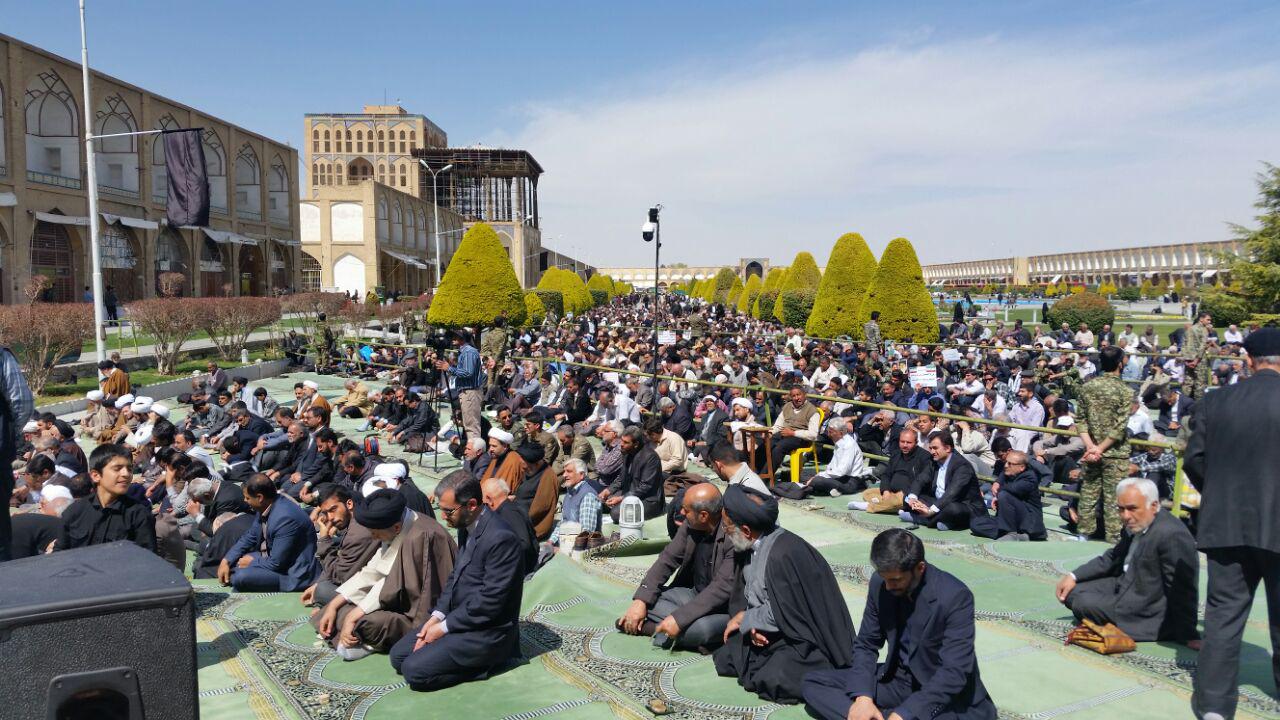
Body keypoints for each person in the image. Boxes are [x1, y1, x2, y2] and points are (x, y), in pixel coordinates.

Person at [1185, 327, 1280, 719]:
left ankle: (1215, 709)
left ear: (1249, 360)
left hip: (1225, 526)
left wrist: (1221, 493)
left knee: (1222, 619)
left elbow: (1194, 460)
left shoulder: (1217, 400)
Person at [802, 528, 996, 720]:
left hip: (941, 693)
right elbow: (866, 644)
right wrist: (863, 698)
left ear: (919, 568)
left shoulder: (954, 596)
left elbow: (954, 672)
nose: (888, 586)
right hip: (899, 680)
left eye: (895, 580)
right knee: (813, 683)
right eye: (884, 578)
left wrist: (904, 714)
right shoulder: (881, 583)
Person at [713, 485, 853, 704]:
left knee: (775, 678)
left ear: (747, 531)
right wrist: (752, 625)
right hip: (775, 628)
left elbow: (788, 613)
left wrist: (747, 620)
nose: (725, 532)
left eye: (728, 527)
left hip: (804, 638)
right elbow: (757, 597)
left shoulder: (783, 554)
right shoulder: (755, 545)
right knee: (726, 656)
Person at [389, 472, 524, 691]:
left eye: (448, 511)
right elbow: (455, 578)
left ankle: (486, 664)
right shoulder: (466, 526)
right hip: (459, 618)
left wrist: (443, 629)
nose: (443, 517)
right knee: (398, 657)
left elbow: (490, 603)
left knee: (414, 672)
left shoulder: (501, 538)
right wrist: (436, 617)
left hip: (486, 632)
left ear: (471, 505)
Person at [312, 488, 457, 660]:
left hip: (416, 612)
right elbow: (373, 571)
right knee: (335, 604)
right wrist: (335, 605)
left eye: (375, 533)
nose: (373, 538)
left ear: (395, 528)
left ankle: (359, 636)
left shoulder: (420, 537)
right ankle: (351, 629)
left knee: (367, 622)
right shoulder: (399, 524)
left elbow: (393, 586)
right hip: (393, 598)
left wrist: (354, 615)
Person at [1055, 478, 1198, 644]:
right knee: (1071, 592)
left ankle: (1153, 628)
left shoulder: (1170, 534)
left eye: (1132, 509)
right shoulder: (1137, 522)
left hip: (1146, 603)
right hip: (1125, 582)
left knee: (1082, 603)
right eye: (1121, 509)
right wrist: (1073, 576)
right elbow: (1113, 557)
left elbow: (1182, 587)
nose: (1125, 516)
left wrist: (1188, 634)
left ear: (1153, 506)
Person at [620, 483, 741, 651]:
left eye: (686, 510)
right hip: (693, 594)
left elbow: (720, 590)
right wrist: (641, 601)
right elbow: (667, 559)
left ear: (704, 516)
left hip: (724, 608)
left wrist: (679, 618)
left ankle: (652, 629)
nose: (682, 513)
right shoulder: (692, 524)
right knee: (649, 600)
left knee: (702, 629)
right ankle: (686, 636)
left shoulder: (733, 534)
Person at [218, 473, 321, 592]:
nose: (245, 501)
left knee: (240, 577)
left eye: (247, 498)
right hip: (273, 558)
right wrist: (227, 560)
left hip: (294, 573)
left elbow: (276, 563)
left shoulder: (285, 518)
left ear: (260, 497)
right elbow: (250, 536)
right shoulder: (266, 506)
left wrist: (252, 562)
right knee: (234, 563)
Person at [1075, 345, 1133, 543]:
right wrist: (1099, 448)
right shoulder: (1125, 391)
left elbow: (1080, 420)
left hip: (1091, 452)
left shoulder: (1087, 386)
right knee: (1114, 500)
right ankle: (1114, 540)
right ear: (1119, 364)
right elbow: (1119, 427)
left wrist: (1091, 447)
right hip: (1115, 453)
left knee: (1088, 495)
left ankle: (1083, 534)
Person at [54, 444, 155, 553]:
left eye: (129, 469)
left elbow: (147, 560)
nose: (126, 474)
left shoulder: (138, 515)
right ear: (95, 475)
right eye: (117, 469)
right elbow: (59, 554)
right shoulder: (75, 512)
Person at [304, 483, 381, 607]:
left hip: (372, 594)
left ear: (349, 504)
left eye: (333, 510)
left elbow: (338, 576)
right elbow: (341, 561)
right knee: (320, 585)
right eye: (326, 513)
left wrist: (324, 539)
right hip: (359, 580)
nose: (330, 518)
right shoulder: (354, 522)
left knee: (322, 591)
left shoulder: (358, 532)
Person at [901, 432, 986, 531]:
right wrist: (913, 500)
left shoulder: (962, 466)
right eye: (931, 448)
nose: (932, 451)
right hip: (939, 502)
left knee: (952, 509)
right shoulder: (933, 461)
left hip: (963, 506)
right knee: (907, 496)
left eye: (935, 448)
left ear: (947, 448)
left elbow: (951, 494)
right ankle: (944, 522)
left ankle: (923, 519)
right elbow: (920, 480)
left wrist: (930, 511)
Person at [773, 418, 869, 499]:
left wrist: (819, 476)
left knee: (817, 480)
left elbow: (840, 472)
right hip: (837, 477)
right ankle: (812, 483)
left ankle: (815, 484)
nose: (828, 434)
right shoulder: (839, 442)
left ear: (840, 433)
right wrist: (820, 474)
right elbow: (833, 466)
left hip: (849, 481)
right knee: (798, 473)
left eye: (831, 432)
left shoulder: (848, 445)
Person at [601, 425, 665, 523]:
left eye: (626, 442)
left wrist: (622, 498)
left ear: (636, 444)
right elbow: (621, 478)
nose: (621, 444)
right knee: (602, 503)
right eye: (621, 440)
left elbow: (645, 486)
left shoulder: (650, 458)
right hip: (631, 493)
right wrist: (608, 490)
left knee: (616, 514)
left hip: (649, 500)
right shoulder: (627, 452)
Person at [760, 385, 820, 478]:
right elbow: (778, 425)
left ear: (804, 395)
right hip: (785, 434)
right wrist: (770, 432)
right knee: (766, 443)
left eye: (798, 395)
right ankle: (756, 472)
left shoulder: (812, 411)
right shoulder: (787, 406)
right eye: (793, 396)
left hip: (801, 438)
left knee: (779, 448)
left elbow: (813, 435)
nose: (796, 398)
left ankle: (765, 477)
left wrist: (793, 433)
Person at [436, 329, 485, 444]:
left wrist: (449, 368)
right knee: (469, 424)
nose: (453, 338)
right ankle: (472, 451)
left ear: (462, 339)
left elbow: (468, 372)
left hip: (470, 392)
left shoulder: (469, 351)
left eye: (456, 336)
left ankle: (475, 454)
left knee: (472, 426)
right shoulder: (464, 351)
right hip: (467, 391)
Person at [987, 451, 1046, 541]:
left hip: (1028, 520)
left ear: (1022, 467)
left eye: (1010, 463)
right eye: (1006, 462)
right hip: (1013, 518)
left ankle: (1011, 534)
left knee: (1004, 495)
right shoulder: (1011, 472)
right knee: (977, 524)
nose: (1006, 465)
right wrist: (997, 481)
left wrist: (997, 495)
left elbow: (1012, 489)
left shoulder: (1030, 478)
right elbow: (1003, 473)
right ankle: (1013, 535)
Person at [511, 442, 560, 541]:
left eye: (525, 467)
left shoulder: (548, 477)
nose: (522, 469)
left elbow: (540, 509)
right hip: (516, 515)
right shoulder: (528, 470)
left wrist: (514, 518)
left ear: (536, 464)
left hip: (529, 526)